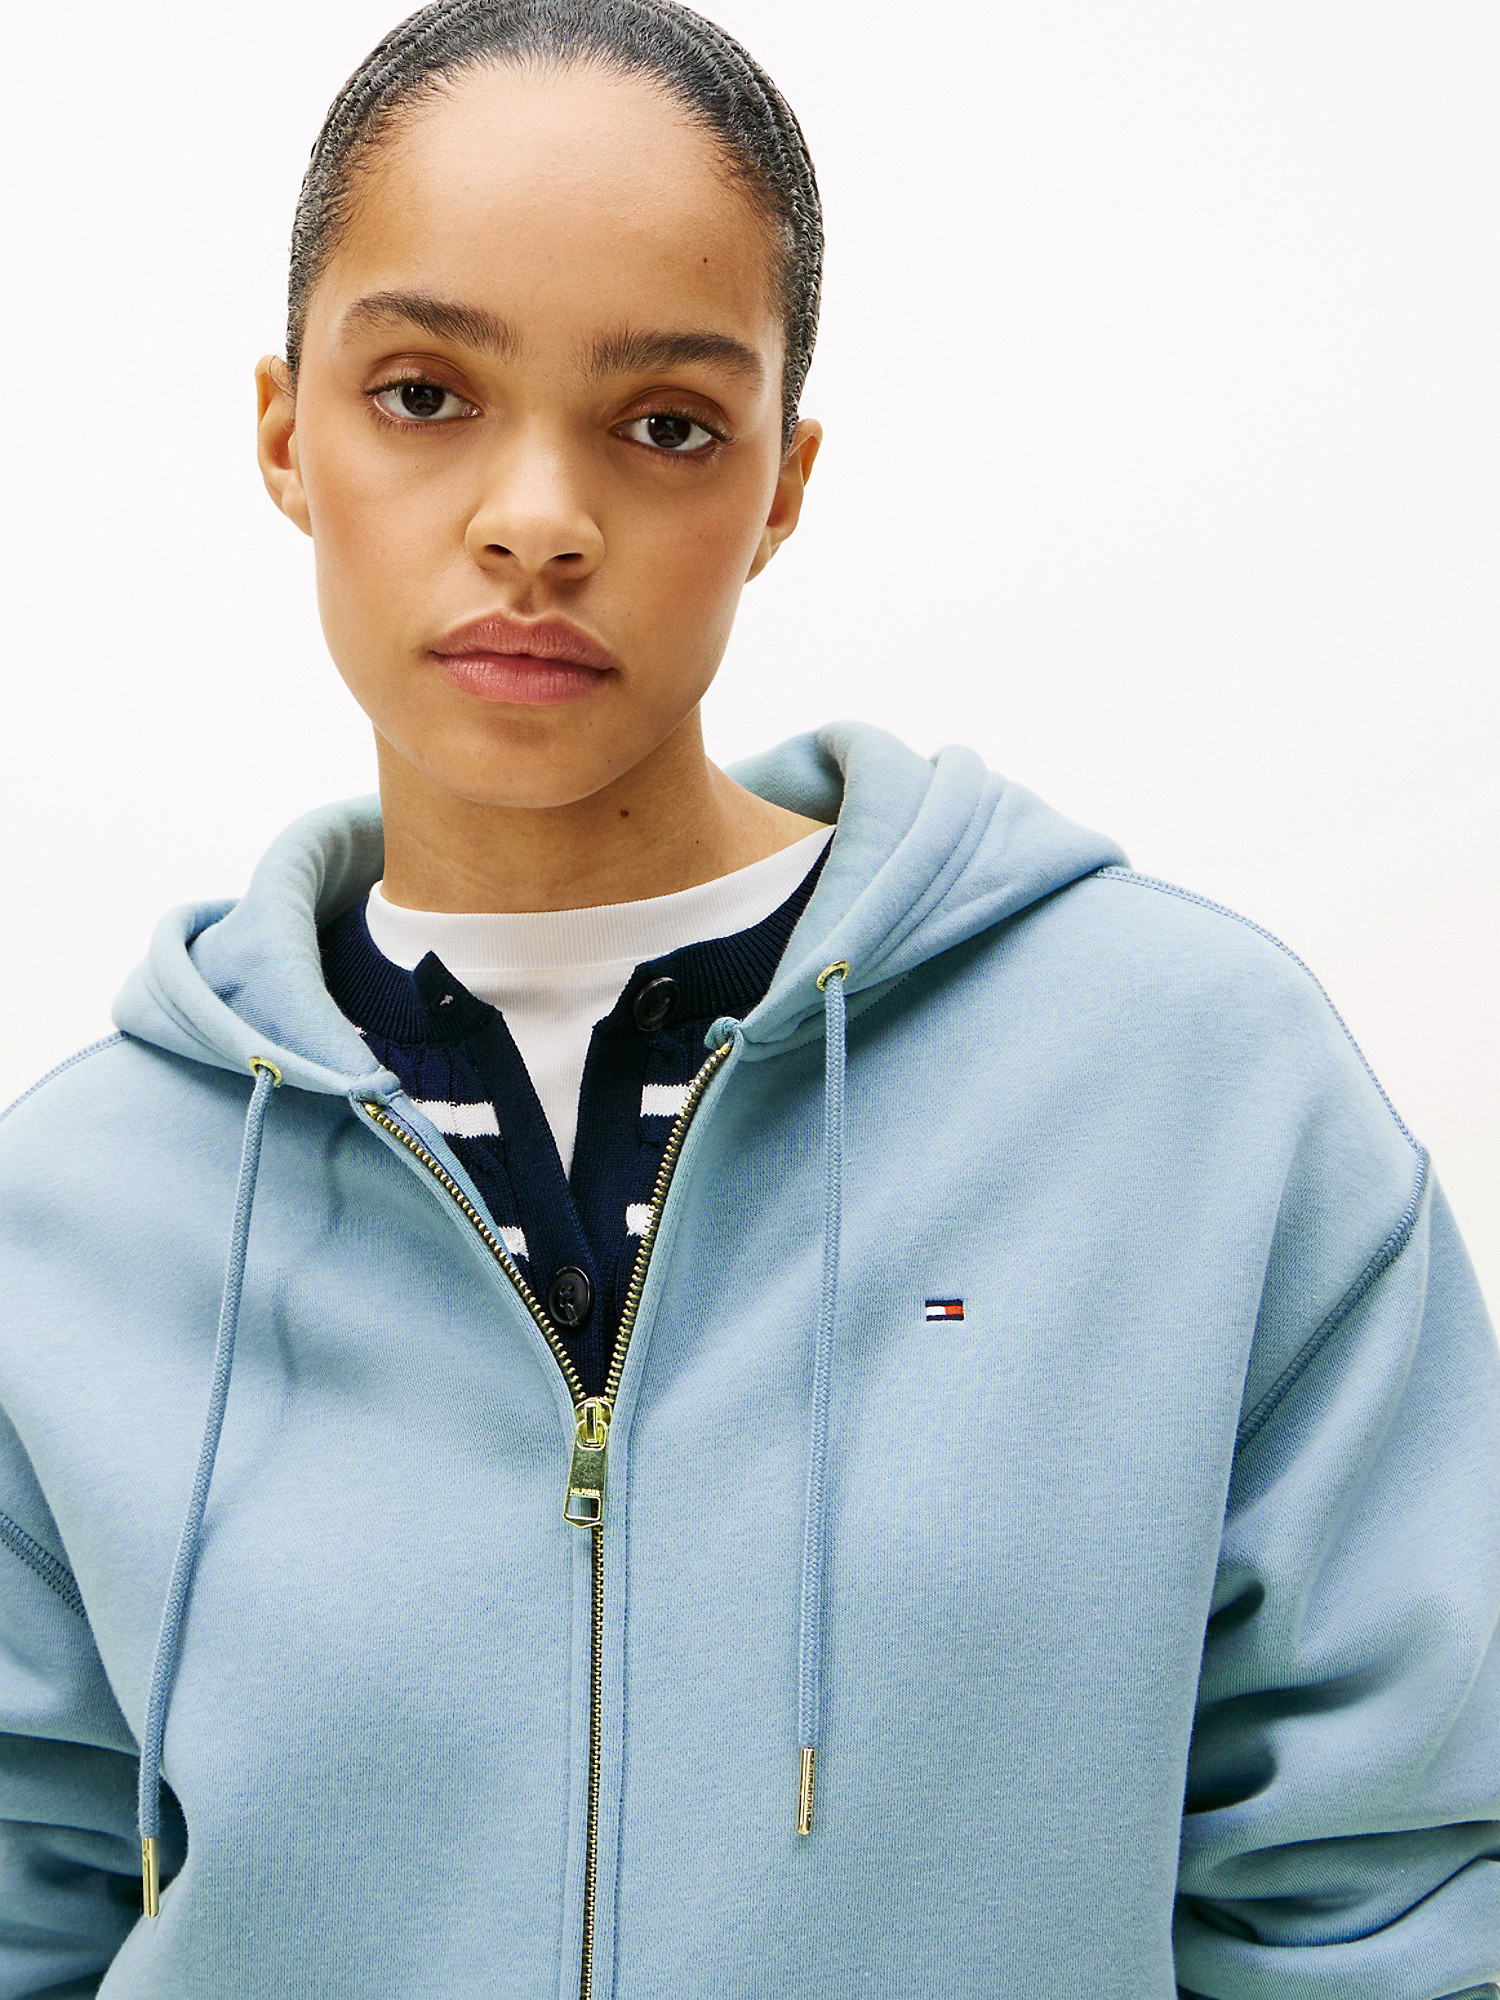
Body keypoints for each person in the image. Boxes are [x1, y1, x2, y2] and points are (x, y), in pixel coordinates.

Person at [1, 1, 1496, 1994]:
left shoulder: (1196, 1094)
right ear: (287, 429)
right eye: (426, 393)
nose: (539, 518)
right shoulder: (72, 1214)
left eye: (667, 424)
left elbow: (1390, 1902)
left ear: (782, 482)